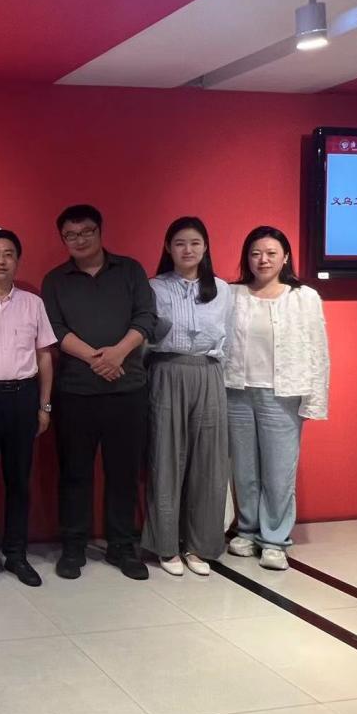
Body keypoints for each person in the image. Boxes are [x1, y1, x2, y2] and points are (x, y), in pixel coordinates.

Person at [42, 204, 157, 581]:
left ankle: (121, 545)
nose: (79, 240)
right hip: (76, 392)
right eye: (71, 235)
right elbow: (55, 329)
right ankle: (73, 546)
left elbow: (146, 317)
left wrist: (119, 352)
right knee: (74, 473)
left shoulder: (130, 270)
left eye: (86, 232)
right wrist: (97, 358)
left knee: (124, 473)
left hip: (128, 389)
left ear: (100, 231)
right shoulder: (55, 280)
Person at [223, 225, 329, 570]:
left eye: (271, 253)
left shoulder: (304, 297)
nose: (263, 260)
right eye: (255, 253)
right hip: (236, 391)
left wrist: (315, 400)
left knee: (279, 472)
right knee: (244, 469)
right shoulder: (232, 294)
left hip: (282, 393)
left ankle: (274, 540)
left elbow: (318, 350)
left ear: (285, 257)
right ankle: (247, 529)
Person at [0, 229, 56, 589]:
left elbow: (44, 356)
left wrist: (44, 405)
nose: (1, 260)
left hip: (23, 397)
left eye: (8, 254)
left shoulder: (33, 304)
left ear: (17, 261)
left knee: (19, 480)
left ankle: (16, 553)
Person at [142, 217, 233, 577]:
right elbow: (145, 338)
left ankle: (199, 545)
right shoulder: (154, 287)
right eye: (180, 243)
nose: (188, 250)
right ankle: (166, 545)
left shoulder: (222, 289)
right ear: (168, 247)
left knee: (208, 463)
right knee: (166, 458)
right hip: (166, 372)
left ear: (206, 247)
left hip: (209, 373)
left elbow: (229, 338)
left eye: (195, 243)